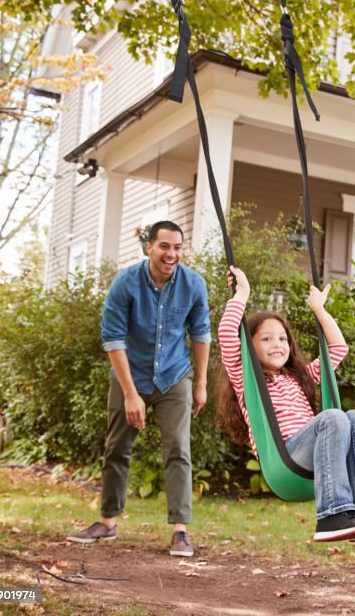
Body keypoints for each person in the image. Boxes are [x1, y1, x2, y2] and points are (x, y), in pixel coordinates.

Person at [216, 265, 355, 542]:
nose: (277, 344)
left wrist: (320, 310)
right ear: (249, 346)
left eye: (282, 338)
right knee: (334, 417)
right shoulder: (247, 378)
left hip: (321, 454)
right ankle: (331, 515)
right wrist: (242, 293)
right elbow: (227, 335)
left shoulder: (301, 377)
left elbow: (338, 348)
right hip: (284, 460)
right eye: (266, 339)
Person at [67, 221, 211, 558]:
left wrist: (201, 382)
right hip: (129, 374)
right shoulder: (126, 283)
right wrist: (130, 393)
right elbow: (113, 339)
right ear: (149, 246)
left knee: (178, 448)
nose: (171, 254)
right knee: (117, 447)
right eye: (164, 246)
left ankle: (180, 531)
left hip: (174, 377)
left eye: (177, 247)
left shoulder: (194, 284)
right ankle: (107, 522)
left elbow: (201, 333)